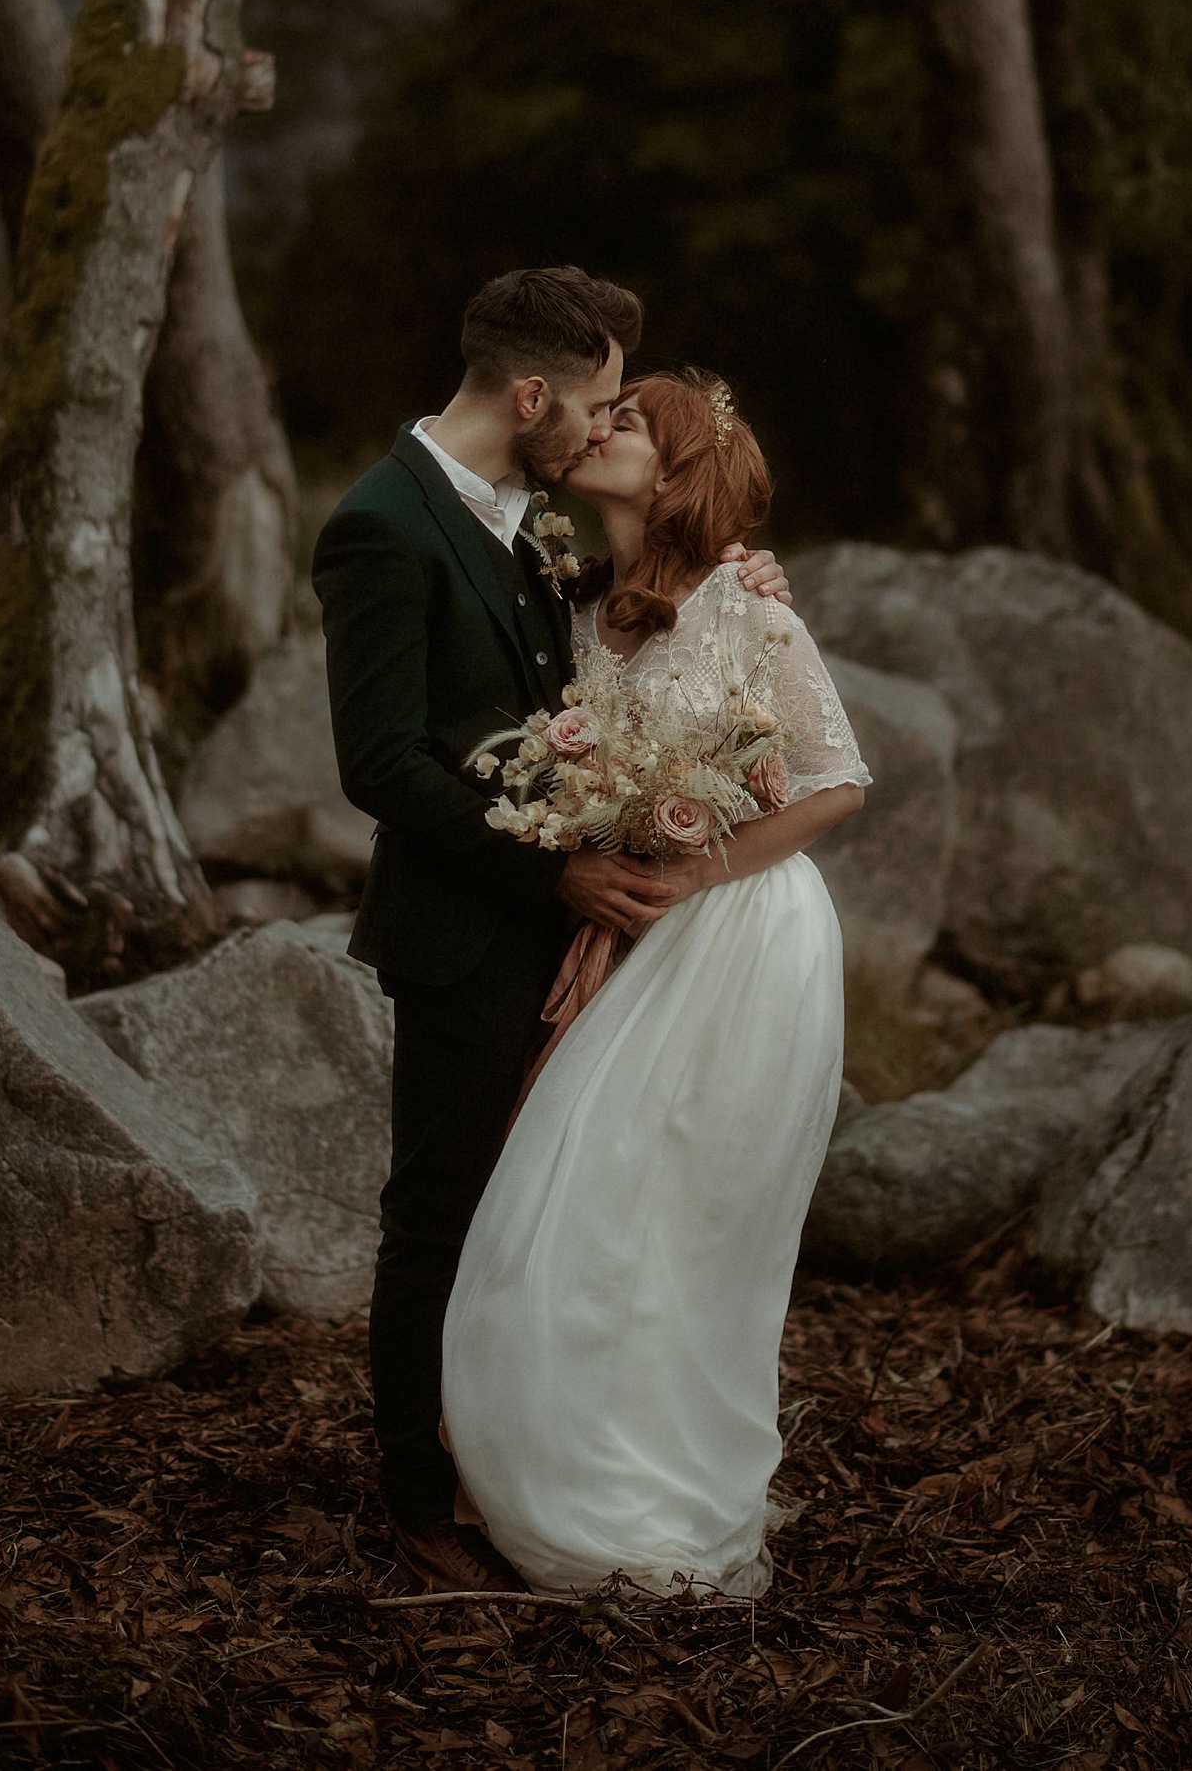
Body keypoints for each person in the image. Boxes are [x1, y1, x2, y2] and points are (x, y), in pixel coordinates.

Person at [312, 272, 794, 1595]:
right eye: (585, 404)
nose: (593, 429)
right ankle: (418, 1497)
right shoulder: (380, 524)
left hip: (568, 926)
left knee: (541, 1220)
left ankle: (516, 1457)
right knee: (441, 1218)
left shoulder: (525, 517)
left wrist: (728, 574)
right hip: (469, 928)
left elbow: (621, 648)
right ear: (529, 393)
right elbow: (383, 765)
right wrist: (557, 877)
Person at [440, 371, 868, 1598]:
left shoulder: (747, 606)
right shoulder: (574, 609)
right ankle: (550, 1453)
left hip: (739, 938)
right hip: (631, 927)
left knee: (675, 1215)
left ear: (678, 464)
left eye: (626, 421)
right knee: (580, 1199)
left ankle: (657, 1478)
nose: (600, 428)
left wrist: (692, 874)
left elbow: (835, 782)